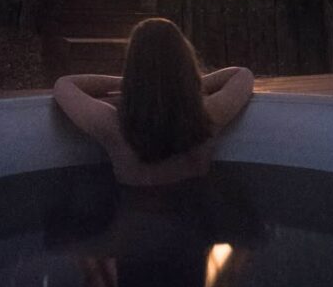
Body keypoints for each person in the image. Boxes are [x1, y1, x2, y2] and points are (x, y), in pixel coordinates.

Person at [53, 16, 254, 187]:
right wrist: (181, 84)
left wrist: (135, 82)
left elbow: (64, 85)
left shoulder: (112, 126)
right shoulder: (209, 116)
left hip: (134, 226)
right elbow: (242, 74)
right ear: (185, 60)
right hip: (192, 224)